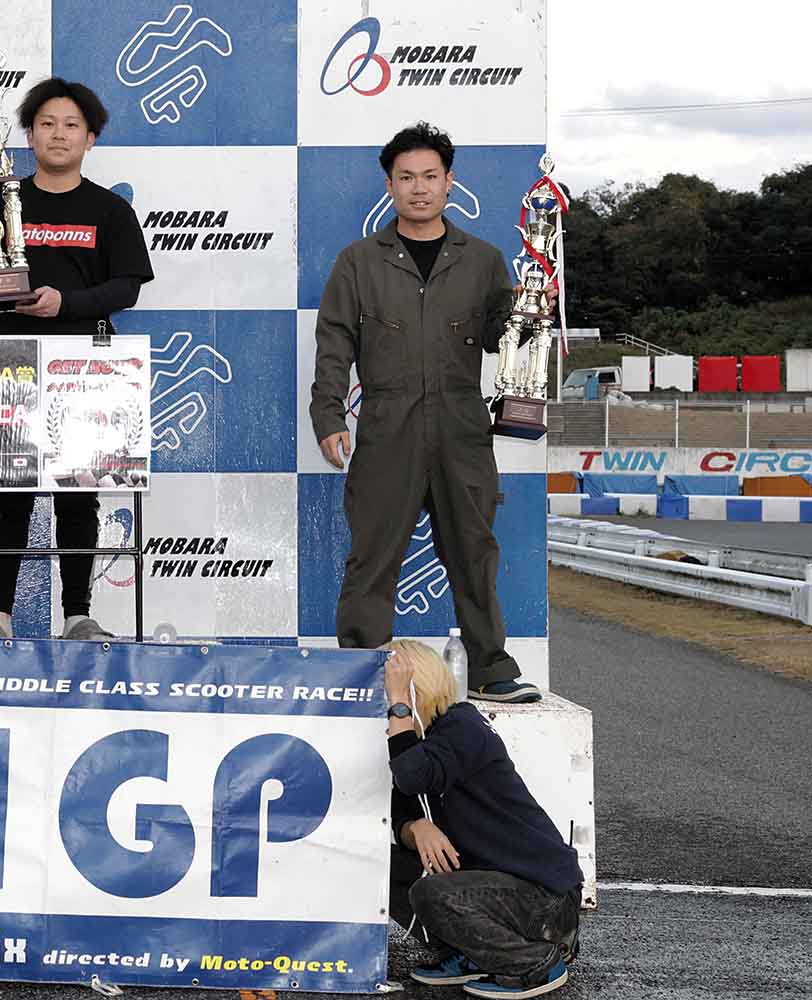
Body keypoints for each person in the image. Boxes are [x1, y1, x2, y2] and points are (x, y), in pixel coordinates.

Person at [310, 121, 546, 703]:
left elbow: (501, 340)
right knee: (373, 555)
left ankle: (490, 668)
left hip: (462, 429)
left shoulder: (484, 261)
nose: (419, 188)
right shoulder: (358, 262)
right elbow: (334, 342)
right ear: (389, 185)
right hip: (387, 428)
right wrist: (329, 415)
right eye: (407, 177)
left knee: (474, 551)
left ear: (449, 183)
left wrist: (532, 311)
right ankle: (362, 671)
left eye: (430, 177)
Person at [0, 77, 154, 641]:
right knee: (6, 494)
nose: (58, 134)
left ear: (90, 138)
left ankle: (78, 615)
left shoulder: (110, 210)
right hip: (8, 363)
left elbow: (128, 288)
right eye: (46, 124)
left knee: (79, 494)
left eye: (71, 125)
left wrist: (67, 303)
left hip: (86, 368)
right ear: (29, 135)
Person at [384, 640, 582, 998]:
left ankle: (534, 963)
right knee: (387, 862)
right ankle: (470, 955)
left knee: (431, 893)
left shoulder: (462, 725)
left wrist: (399, 704)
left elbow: (414, 776)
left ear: (416, 690)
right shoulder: (419, 738)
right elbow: (399, 809)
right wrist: (415, 827)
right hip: (503, 890)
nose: (383, 705)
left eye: (386, 691)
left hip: (546, 899)